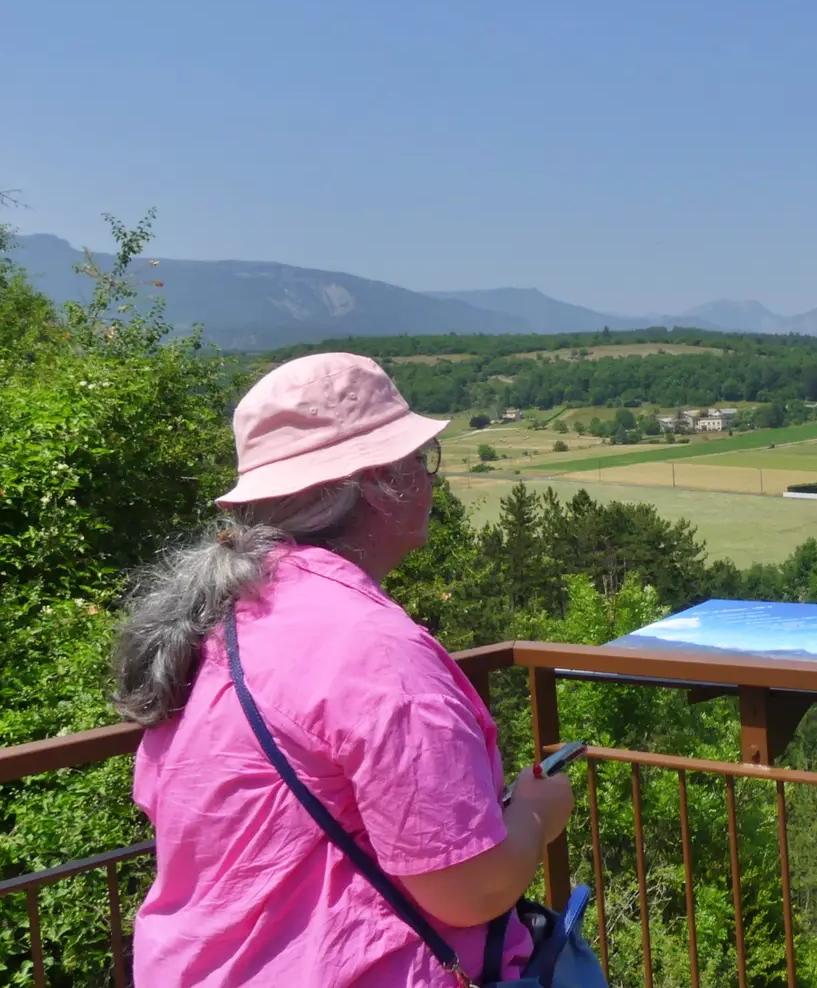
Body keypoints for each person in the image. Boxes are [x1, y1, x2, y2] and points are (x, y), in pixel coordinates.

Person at [113, 352, 574, 985]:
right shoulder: (375, 654)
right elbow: (467, 891)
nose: (431, 479)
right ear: (381, 484)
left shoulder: (225, 620)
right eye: (420, 461)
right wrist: (537, 813)